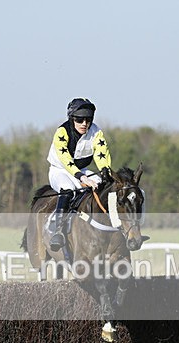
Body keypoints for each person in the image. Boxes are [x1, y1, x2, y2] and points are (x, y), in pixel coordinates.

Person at [46, 97, 113, 251]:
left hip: (81, 170)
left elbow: (101, 156)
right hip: (60, 170)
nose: (84, 123)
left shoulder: (96, 132)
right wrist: (81, 178)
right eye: (80, 119)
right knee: (68, 189)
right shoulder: (62, 132)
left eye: (88, 119)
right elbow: (66, 160)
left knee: (104, 187)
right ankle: (58, 231)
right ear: (72, 118)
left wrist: (106, 173)